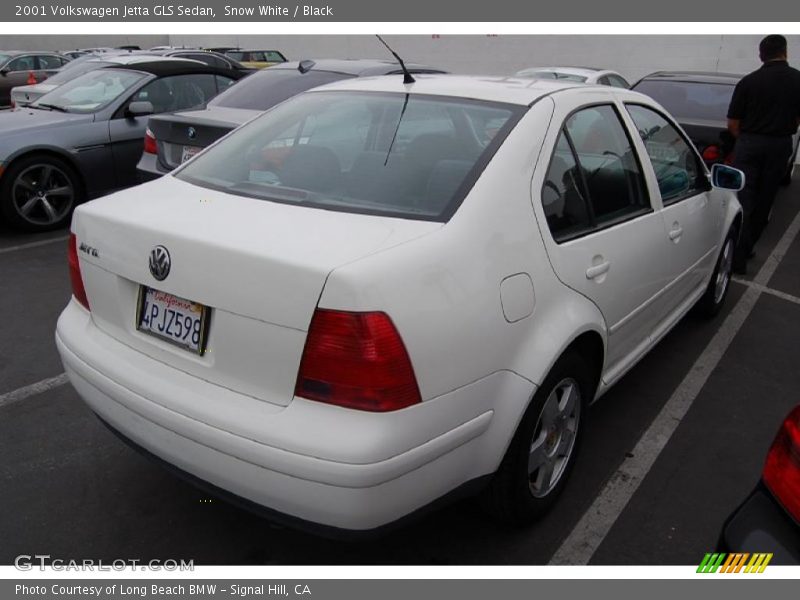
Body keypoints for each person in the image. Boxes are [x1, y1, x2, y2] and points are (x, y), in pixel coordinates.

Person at [727, 34, 800, 274]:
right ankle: (744, 250)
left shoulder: (748, 82)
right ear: (785, 52)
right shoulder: (797, 80)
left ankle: (736, 251)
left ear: (761, 55)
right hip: (779, 145)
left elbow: (733, 124)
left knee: (743, 199)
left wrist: (747, 140)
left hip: (749, 144)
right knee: (764, 200)